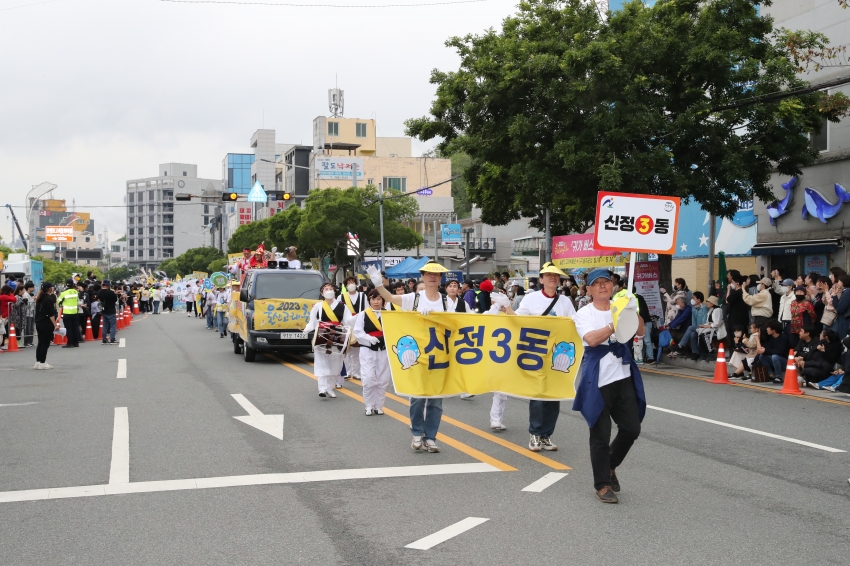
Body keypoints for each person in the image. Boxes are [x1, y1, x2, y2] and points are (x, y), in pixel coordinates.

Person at [572, 269, 646, 504]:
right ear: (589, 290)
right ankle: (602, 485)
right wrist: (615, 324)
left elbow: (641, 331)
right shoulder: (584, 313)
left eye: (607, 282)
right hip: (599, 379)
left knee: (631, 429)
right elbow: (592, 339)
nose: (603, 286)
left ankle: (610, 465)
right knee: (600, 435)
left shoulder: (621, 305)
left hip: (623, 376)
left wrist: (633, 311)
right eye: (598, 283)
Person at [369, 260, 454, 453]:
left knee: (436, 400)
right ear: (422, 276)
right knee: (417, 397)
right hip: (416, 356)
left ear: (440, 278)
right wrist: (378, 285)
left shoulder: (446, 301)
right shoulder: (413, 299)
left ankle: (430, 438)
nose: (432, 277)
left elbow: (453, 325)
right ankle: (417, 433)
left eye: (436, 274)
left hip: (438, 357)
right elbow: (389, 298)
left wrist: (435, 317)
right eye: (428, 274)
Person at [502, 262, 577, 449]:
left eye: (556, 275)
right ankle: (534, 434)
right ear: (541, 279)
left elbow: (575, 324)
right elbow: (518, 319)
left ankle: (546, 435)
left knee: (553, 396)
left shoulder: (565, 301)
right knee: (537, 395)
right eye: (548, 275)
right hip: (535, 352)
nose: (553, 278)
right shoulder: (531, 299)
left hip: (557, 356)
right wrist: (506, 308)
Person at [304, 283, 347, 398]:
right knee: (322, 362)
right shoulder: (317, 306)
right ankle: (322, 389)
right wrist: (307, 329)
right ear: (322, 293)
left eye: (331, 289)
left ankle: (330, 388)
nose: (329, 290)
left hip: (337, 335)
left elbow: (348, 321)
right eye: (326, 289)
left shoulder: (342, 306)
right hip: (322, 335)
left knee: (335, 363)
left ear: (334, 291)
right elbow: (312, 322)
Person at [353, 289, 391, 416]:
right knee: (369, 378)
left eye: (379, 299)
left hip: (384, 350)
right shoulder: (363, 314)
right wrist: (370, 339)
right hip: (368, 350)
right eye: (373, 299)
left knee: (383, 379)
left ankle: (379, 406)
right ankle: (368, 405)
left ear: (383, 301)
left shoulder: (389, 314)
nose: (376, 302)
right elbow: (358, 331)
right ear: (369, 300)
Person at [341, 276, 367, 384]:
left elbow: (366, 309)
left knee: (357, 350)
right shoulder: (341, 297)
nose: (351, 284)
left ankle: (356, 372)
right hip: (346, 326)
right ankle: (347, 371)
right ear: (346, 285)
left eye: (353, 282)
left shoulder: (362, 296)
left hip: (359, 325)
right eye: (348, 282)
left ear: (356, 284)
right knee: (346, 351)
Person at [33, 282, 60, 369]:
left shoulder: (39, 298)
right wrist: (55, 324)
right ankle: (42, 362)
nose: (52, 288)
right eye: (51, 287)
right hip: (46, 323)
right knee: (45, 343)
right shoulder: (48, 299)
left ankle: (38, 362)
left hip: (39, 322)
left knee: (40, 342)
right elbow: (51, 314)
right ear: (49, 289)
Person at [696, 295, 726, 361]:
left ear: (712, 303)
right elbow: (708, 322)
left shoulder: (718, 310)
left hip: (717, 330)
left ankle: (711, 352)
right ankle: (703, 353)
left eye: (708, 302)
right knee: (700, 334)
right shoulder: (710, 310)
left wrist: (708, 326)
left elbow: (718, 323)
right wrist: (703, 325)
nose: (707, 303)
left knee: (704, 335)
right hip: (711, 329)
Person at [57, 279, 81, 348]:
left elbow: (59, 301)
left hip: (67, 313)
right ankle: (76, 343)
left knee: (69, 328)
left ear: (66, 284)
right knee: (75, 328)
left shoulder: (64, 293)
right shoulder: (76, 292)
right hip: (75, 312)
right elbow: (77, 300)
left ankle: (70, 343)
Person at [97, 280, 119, 345]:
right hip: (111, 310)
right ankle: (112, 339)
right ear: (107, 285)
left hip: (104, 310)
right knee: (113, 325)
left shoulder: (99, 292)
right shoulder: (111, 292)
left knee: (105, 325)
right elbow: (115, 300)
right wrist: (115, 294)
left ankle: (104, 339)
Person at [0, 285, 17, 350]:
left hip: (3, 315)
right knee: (2, 331)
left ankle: (2, 344)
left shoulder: (1, 296)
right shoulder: (4, 297)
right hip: (3, 315)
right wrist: (10, 293)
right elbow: (14, 299)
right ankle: (2, 344)